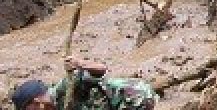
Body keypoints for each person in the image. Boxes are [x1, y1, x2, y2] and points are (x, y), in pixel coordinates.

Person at [10, 62, 158, 109]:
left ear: (36, 102)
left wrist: (80, 63)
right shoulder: (56, 106)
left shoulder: (64, 87)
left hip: (134, 96)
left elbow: (101, 70)